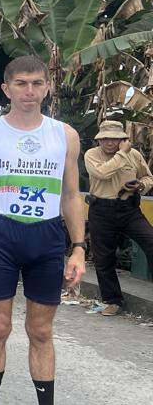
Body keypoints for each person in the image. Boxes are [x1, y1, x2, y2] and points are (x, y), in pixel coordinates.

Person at [0, 55, 86, 405]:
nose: (29, 91)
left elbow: (71, 195)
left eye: (36, 83)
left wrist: (78, 249)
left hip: (47, 238)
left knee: (41, 331)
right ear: (6, 88)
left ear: (47, 87)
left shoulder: (65, 135)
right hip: (1, 235)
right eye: (21, 83)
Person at [83, 120, 153, 317]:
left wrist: (140, 185)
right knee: (103, 259)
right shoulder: (91, 155)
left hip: (129, 209)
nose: (109, 142)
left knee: (151, 242)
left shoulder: (134, 155)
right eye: (105, 138)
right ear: (99, 140)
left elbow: (148, 177)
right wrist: (122, 153)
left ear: (122, 139)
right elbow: (102, 173)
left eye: (114, 139)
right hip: (101, 210)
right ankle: (113, 301)